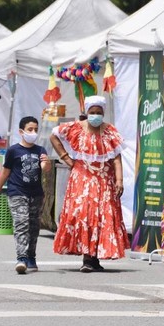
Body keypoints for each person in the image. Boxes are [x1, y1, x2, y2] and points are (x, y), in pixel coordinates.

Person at [49, 95, 129, 273]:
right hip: (82, 179)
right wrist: (66, 159)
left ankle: (94, 258)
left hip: (104, 180)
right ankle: (86, 257)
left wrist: (119, 180)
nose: (95, 115)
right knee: (84, 215)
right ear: (86, 112)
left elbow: (116, 158)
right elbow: (53, 136)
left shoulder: (110, 131)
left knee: (102, 216)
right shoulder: (76, 128)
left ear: (103, 113)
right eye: (92, 112)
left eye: (98, 112)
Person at [0, 116, 50, 274]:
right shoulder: (13, 151)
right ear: (21, 131)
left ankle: (31, 256)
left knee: (33, 227)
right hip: (17, 192)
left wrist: (46, 164)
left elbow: (44, 168)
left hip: (36, 194)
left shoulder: (40, 150)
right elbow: (5, 172)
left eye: (36, 130)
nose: (33, 132)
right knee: (21, 224)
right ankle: (22, 258)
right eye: (30, 129)